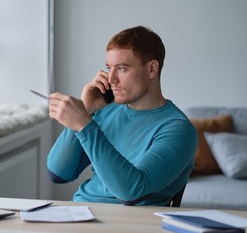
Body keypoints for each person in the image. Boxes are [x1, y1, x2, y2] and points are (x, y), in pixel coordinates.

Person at [46, 26, 198, 206]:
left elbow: (131, 192)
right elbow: (58, 173)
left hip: (131, 225)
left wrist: (84, 125)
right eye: (109, 68)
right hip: (81, 212)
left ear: (151, 69)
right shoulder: (105, 111)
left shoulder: (178, 129)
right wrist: (86, 109)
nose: (111, 79)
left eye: (122, 68)